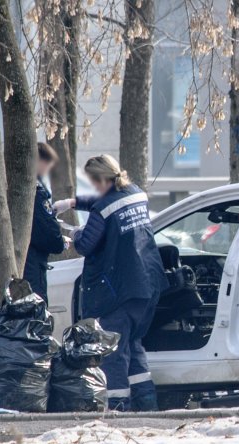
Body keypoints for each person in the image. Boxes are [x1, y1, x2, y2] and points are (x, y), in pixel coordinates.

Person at [54, 155, 167, 411]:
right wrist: (72, 203)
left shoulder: (104, 208)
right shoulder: (135, 193)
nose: (93, 188)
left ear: (101, 179)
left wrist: (74, 232)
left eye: (93, 182)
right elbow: (106, 202)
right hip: (147, 285)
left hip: (119, 291)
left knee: (113, 351)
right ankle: (147, 404)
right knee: (133, 345)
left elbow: (85, 245)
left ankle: (118, 410)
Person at [24, 142, 68, 303]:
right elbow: (47, 232)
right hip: (32, 266)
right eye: (47, 165)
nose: (47, 170)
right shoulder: (36, 192)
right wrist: (61, 241)